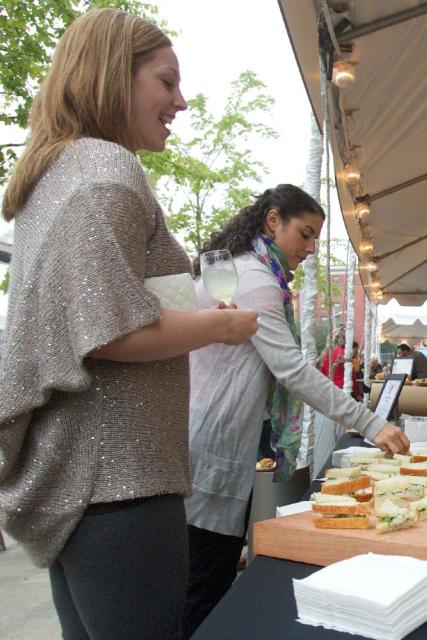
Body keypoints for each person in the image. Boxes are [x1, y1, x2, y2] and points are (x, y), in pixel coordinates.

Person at [0, 9, 259, 638]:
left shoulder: (56, 174)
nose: (182, 101)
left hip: (83, 476)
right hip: (121, 475)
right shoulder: (105, 172)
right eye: (166, 82)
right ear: (117, 76)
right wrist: (221, 328)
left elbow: (97, 316)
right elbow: (111, 332)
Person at [182, 185, 409, 637]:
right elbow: (292, 371)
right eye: (304, 234)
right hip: (210, 446)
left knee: (199, 580)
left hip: (203, 439)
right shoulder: (256, 281)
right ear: (272, 221)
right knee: (203, 591)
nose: (309, 248)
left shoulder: (247, 271)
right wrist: (370, 422)